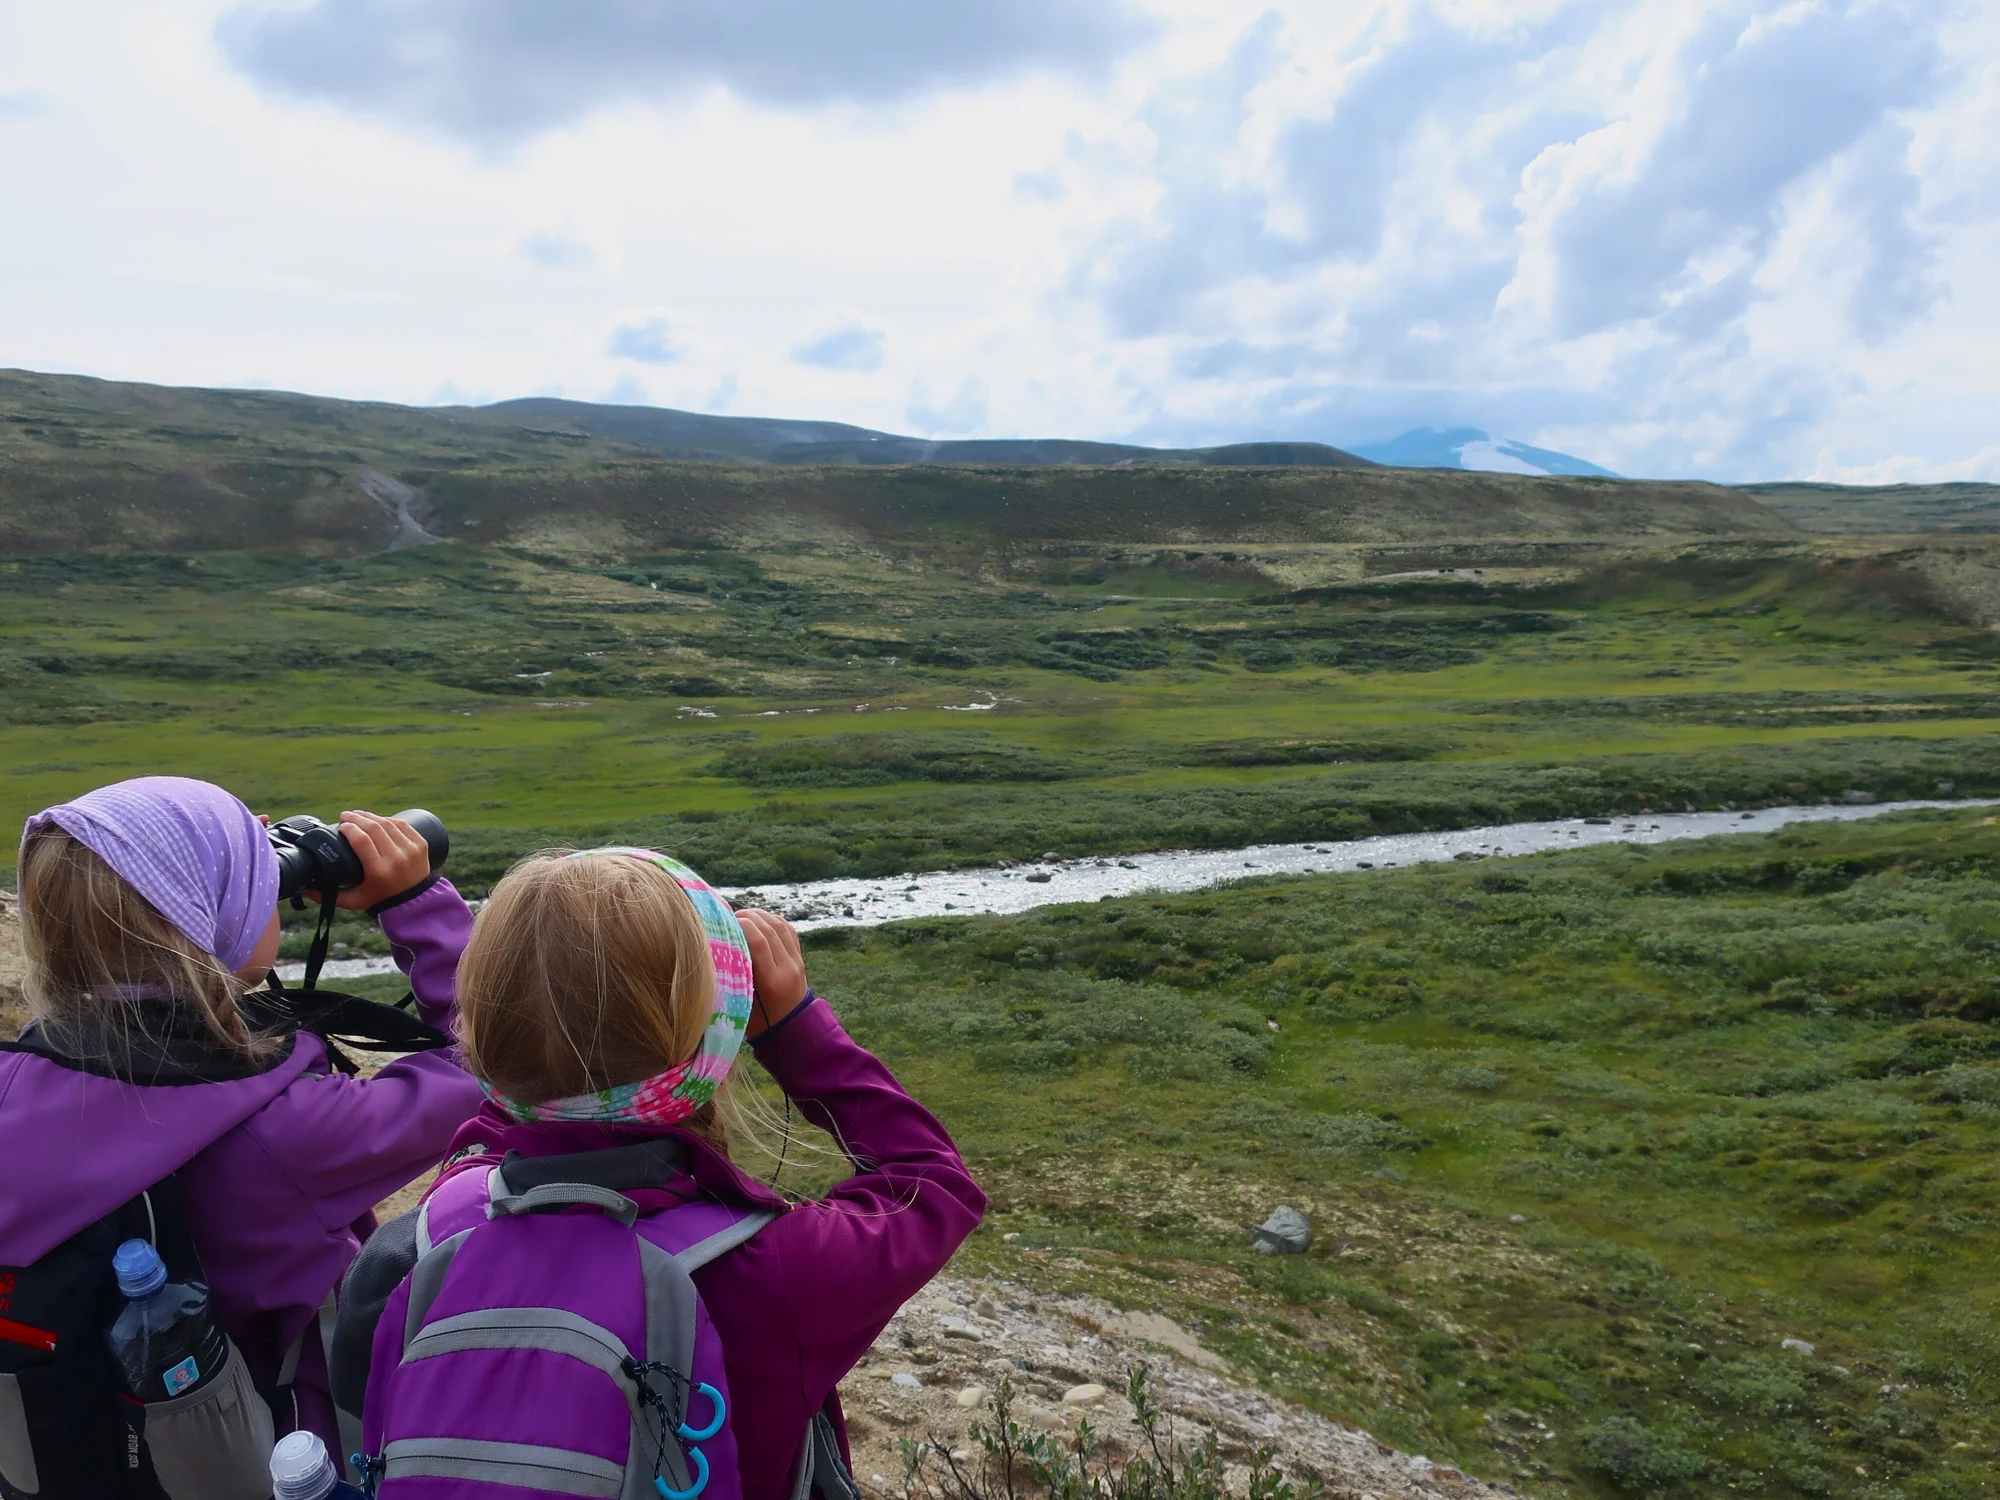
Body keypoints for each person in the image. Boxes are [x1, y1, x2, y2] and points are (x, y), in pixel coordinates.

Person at [333, 847, 985, 1500]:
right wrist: (794, 1029)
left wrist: (435, 922)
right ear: (719, 1037)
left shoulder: (425, 1237)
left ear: (483, 1039)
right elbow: (932, 1182)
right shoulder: (777, 1271)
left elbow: (502, 1096)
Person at [0, 776, 483, 1457]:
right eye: (255, 884)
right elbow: (495, 1066)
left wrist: (222, 862)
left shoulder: (14, 1082)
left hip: (66, 1444)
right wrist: (415, 905)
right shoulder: (291, 1128)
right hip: (268, 1451)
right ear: (215, 919)